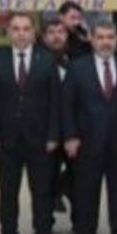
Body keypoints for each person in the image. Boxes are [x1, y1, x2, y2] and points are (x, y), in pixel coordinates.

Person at [0, 13, 61, 234]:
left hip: (41, 140)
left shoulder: (47, 60)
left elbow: (55, 101)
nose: (21, 33)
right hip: (6, 141)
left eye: (26, 29)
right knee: (8, 193)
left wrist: (53, 135)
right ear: (9, 32)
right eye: (16, 29)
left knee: (42, 193)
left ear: (33, 33)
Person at [61, 21, 117, 234]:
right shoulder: (77, 68)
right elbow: (67, 106)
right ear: (92, 40)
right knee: (86, 193)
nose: (105, 42)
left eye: (110, 37)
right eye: (101, 37)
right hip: (86, 143)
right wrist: (70, 136)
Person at [41, 18, 73, 214]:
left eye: (60, 32)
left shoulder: (75, 60)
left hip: (72, 131)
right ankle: (46, 222)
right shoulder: (36, 61)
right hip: (45, 131)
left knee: (78, 174)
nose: (56, 36)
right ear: (44, 37)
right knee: (45, 177)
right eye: (51, 33)